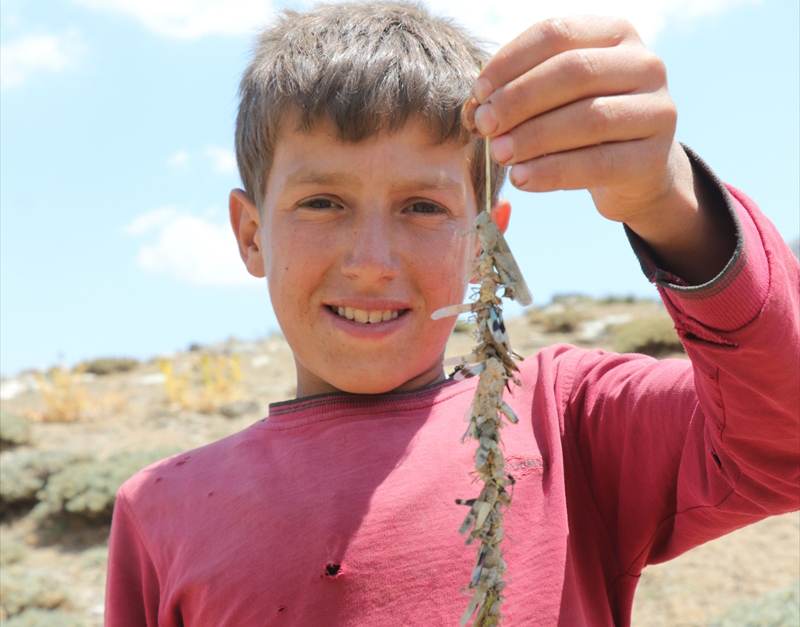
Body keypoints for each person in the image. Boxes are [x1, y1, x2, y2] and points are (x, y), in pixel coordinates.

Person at [104, 2, 799, 625]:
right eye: (322, 202)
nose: (371, 259)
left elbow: (783, 443)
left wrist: (665, 198)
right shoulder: (161, 509)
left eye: (423, 207)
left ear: (485, 244)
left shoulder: (569, 421)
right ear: (252, 234)